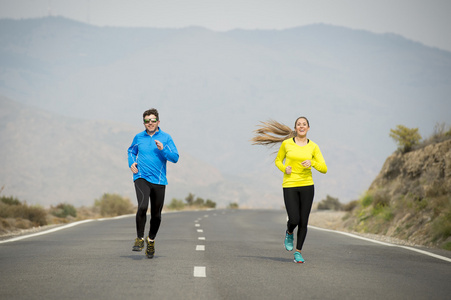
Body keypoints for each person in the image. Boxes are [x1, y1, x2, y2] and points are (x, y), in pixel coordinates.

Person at [251, 117, 327, 263]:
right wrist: (284, 168)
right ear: (296, 128)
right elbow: (278, 161)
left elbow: (324, 168)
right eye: (299, 124)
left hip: (307, 185)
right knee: (294, 219)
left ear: (308, 128)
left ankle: (298, 252)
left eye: (304, 124)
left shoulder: (314, 147)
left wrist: (312, 163)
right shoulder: (286, 144)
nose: (301, 126)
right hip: (290, 185)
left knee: (304, 221)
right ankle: (289, 231)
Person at [127, 108, 179, 259]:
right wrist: (132, 163)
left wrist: (163, 150)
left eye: (152, 120)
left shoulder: (166, 137)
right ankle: (139, 238)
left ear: (158, 122)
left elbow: (175, 157)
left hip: (159, 180)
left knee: (156, 215)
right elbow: (131, 151)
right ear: (143, 122)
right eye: (147, 121)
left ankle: (151, 240)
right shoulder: (139, 137)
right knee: (142, 206)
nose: (150, 123)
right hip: (141, 176)